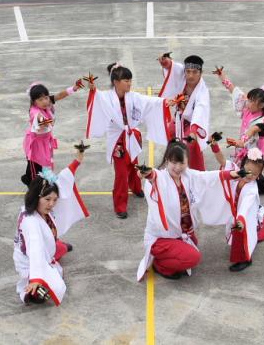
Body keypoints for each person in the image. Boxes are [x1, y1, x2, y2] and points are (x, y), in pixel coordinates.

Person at [135, 140, 233, 281]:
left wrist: (234, 174)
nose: (178, 167)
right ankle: (160, 265)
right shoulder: (161, 178)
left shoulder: (188, 175)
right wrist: (148, 174)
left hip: (180, 232)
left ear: (187, 162)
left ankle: (171, 254)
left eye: (182, 163)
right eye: (174, 162)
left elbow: (208, 177)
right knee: (193, 257)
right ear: (167, 161)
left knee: (193, 246)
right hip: (161, 238)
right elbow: (153, 176)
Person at [85, 63, 170, 218]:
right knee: (121, 174)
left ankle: (136, 187)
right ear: (116, 82)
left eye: (130, 80)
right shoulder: (106, 97)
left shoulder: (133, 96)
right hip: (118, 140)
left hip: (131, 137)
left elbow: (149, 101)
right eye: (126, 80)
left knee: (133, 164)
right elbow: (96, 98)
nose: (129, 83)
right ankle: (120, 205)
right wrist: (92, 90)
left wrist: (164, 102)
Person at [13, 146, 89, 306]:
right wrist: (36, 279)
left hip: (48, 247)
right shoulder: (30, 222)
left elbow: (64, 179)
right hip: (31, 259)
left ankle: (60, 248)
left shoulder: (43, 205)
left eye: (55, 200)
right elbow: (35, 249)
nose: (52, 204)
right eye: (47, 199)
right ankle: (29, 290)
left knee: (58, 248)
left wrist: (78, 160)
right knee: (50, 287)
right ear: (36, 197)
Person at [211, 144, 264, 272]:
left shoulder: (252, 190)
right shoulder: (236, 172)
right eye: (248, 170)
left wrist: (240, 220)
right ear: (244, 165)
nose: (250, 175)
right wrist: (214, 145)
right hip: (237, 212)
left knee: (247, 235)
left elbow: (245, 207)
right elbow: (223, 161)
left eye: (254, 174)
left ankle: (245, 259)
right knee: (257, 231)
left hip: (244, 215)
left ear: (259, 175)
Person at [214, 67, 264, 194]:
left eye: (252, 101)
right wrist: (222, 76)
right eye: (249, 99)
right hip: (244, 148)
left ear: (261, 105)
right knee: (241, 173)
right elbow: (234, 92)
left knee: (249, 176)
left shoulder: (263, 120)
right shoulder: (248, 109)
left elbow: (252, 130)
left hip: (254, 153)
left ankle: (255, 183)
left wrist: (242, 141)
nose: (248, 102)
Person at [21, 78, 85, 186]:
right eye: (40, 99)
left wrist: (74, 88)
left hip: (45, 142)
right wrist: (50, 121)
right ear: (34, 101)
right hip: (35, 145)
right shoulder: (34, 112)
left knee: (43, 165)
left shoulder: (47, 102)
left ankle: (28, 178)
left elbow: (59, 95)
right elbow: (43, 122)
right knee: (35, 169)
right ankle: (32, 186)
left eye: (46, 98)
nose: (45, 101)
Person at [157, 54, 210, 171]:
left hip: (193, 124)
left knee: (189, 145)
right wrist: (165, 61)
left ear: (201, 73)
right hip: (178, 120)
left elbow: (200, 111)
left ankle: (194, 172)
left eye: (195, 72)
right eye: (188, 71)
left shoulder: (202, 92)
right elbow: (172, 67)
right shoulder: (182, 75)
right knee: (168, 134)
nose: (190, 75)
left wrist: (193, 132)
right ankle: (172, 165)